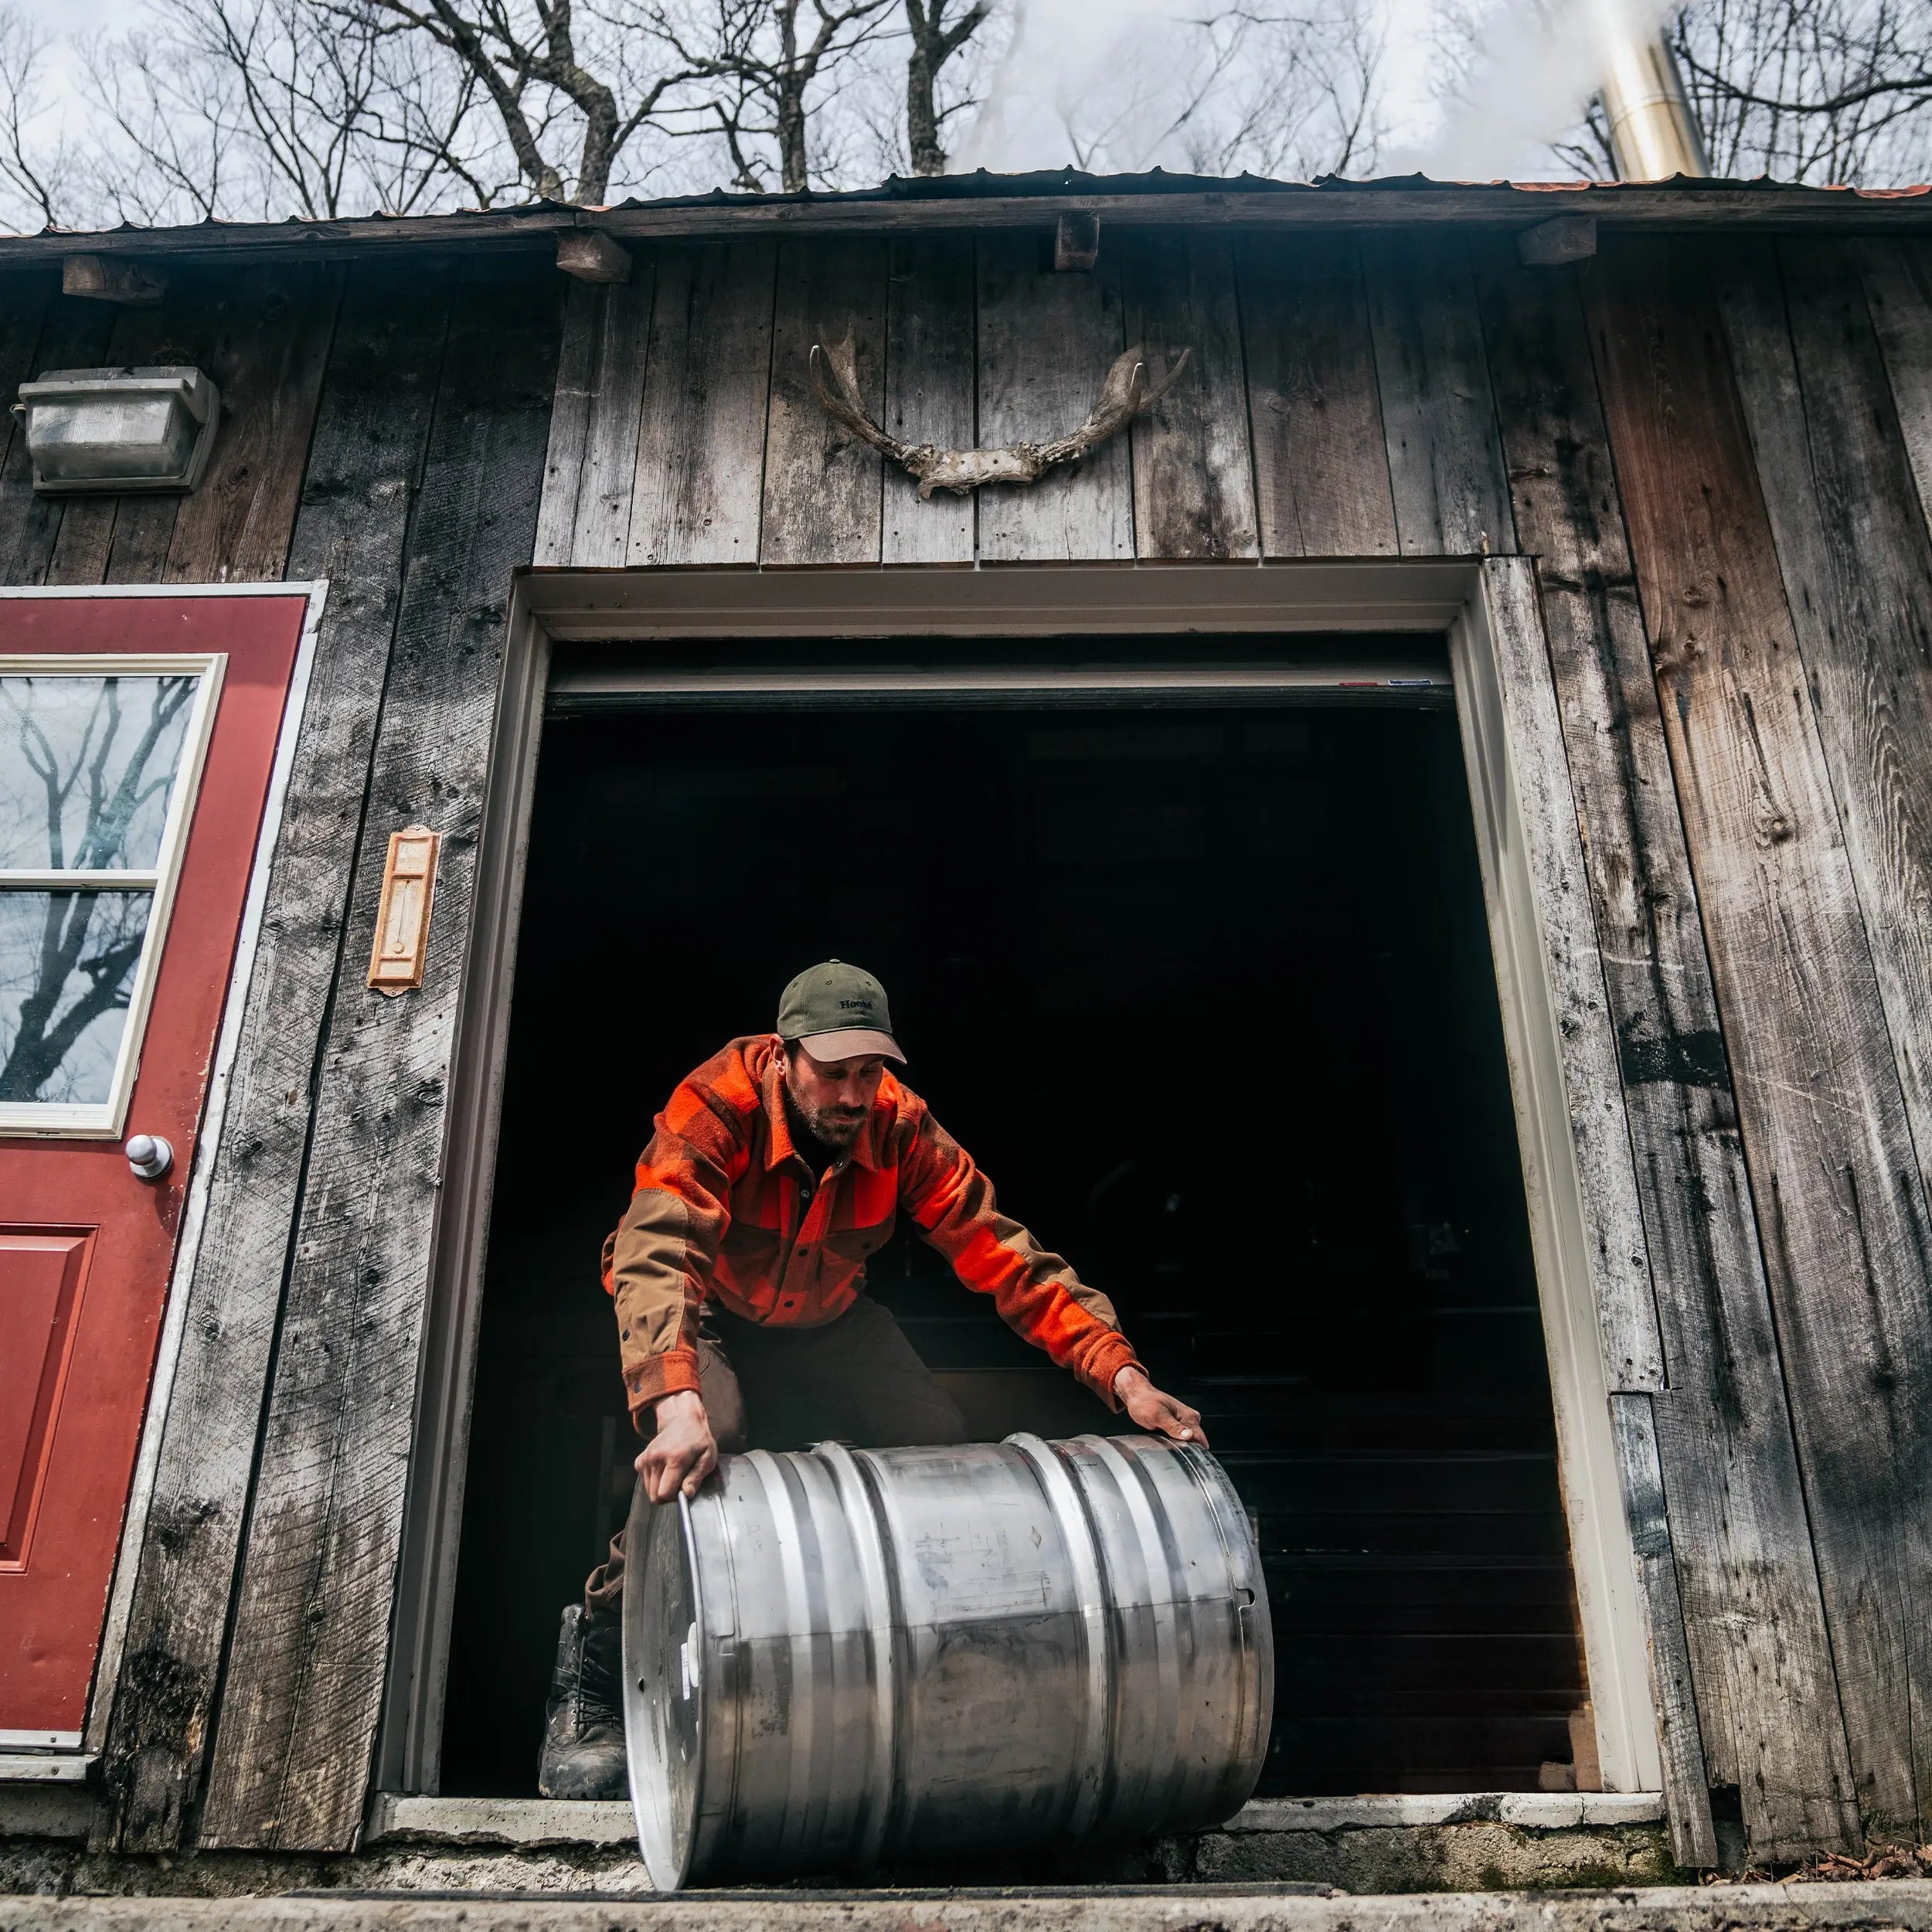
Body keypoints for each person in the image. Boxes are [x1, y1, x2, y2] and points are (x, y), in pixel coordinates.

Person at [538, 960, 1205, 1799]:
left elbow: (1003, 1254)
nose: (854, 1095)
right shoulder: (714, 1105)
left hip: (825, 1316)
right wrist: (677, 1402)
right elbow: (656, 1250)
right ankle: (593, 1681)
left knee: (933, 1434)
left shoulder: (900, 1127)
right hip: (707, 1307)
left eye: (870, 1072)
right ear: (785, 1058)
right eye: (834, 1073)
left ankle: (898, 1671)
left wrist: (1124, 1375)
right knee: (709, 1446)